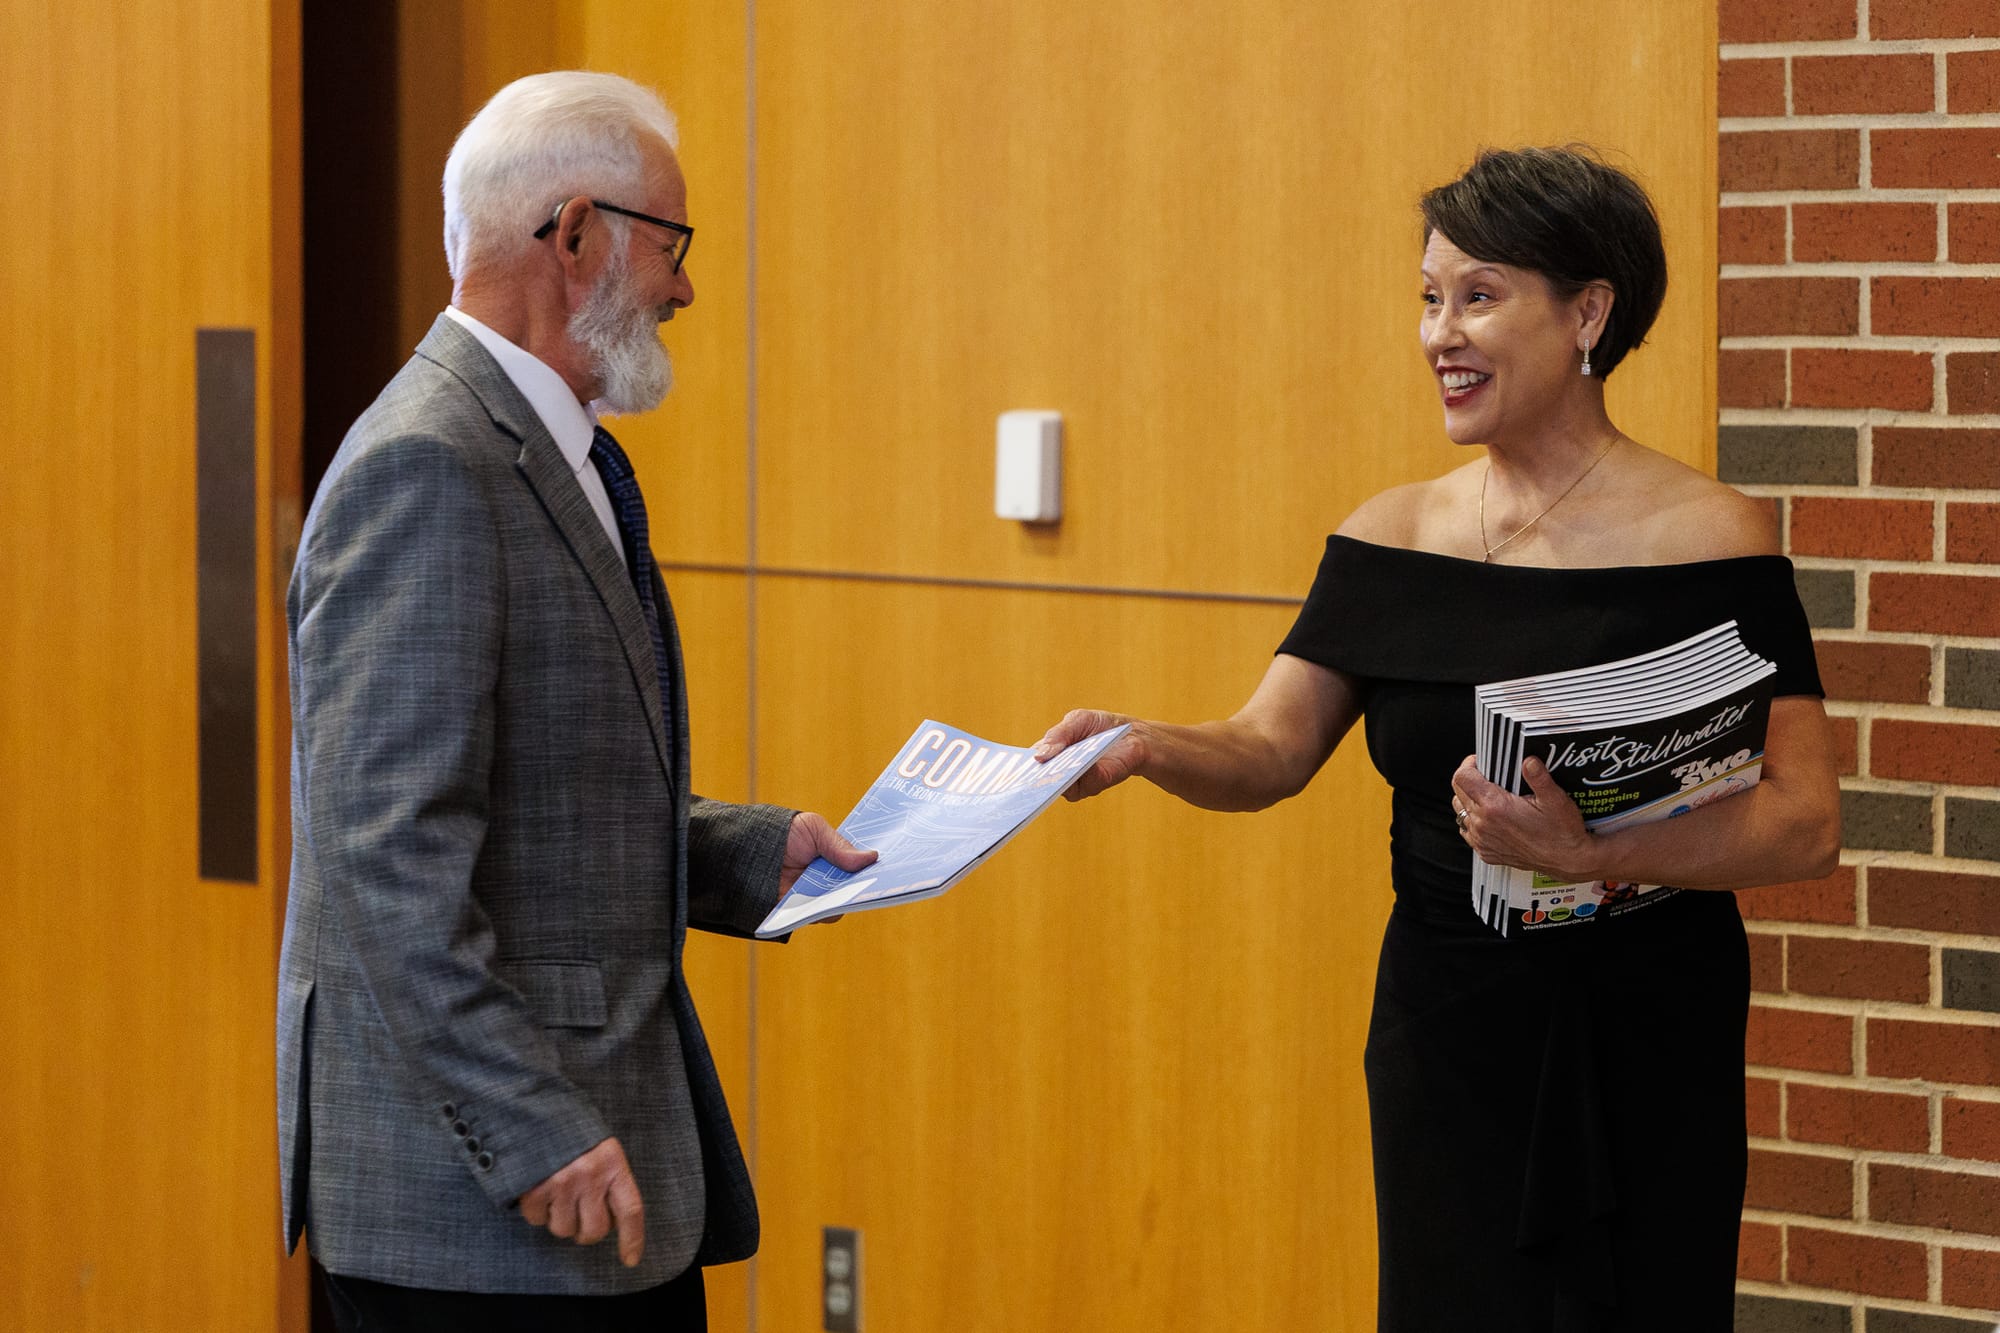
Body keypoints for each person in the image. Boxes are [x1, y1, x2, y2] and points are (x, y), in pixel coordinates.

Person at [1034, 146, 1840, 1331]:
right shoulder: (1388, 532)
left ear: (1586, 312)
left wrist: (1589, 855)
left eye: (1477, 295)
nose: (1437, 334)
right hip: (1445, 1021)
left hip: (1648, 1024)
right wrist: (1148, 743)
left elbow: (1803, 820)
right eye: (1426, 297)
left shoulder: (1706, 535)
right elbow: (1267, 748)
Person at [277, 71, 873, 1332]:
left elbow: (545, 801)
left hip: (584, 1180)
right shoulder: (428, 465)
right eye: (672, 242)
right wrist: (528, 1123)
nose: (685, 286)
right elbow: (386, 856)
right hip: (486, 1204)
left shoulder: (563, 448)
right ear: (576, 233)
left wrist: (754, 855)